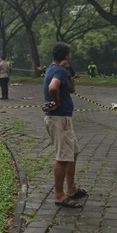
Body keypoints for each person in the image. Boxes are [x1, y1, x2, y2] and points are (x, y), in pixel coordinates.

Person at [43, 42, 87, 208]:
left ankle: (72, 188)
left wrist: (68, 71)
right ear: (66, 55)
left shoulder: (57, 69)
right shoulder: (58, 70)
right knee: (62, 158)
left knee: (73, 153)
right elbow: (53, 87)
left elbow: (71, 89)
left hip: (63, 118)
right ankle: (59, 195)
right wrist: (56, 101)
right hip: (58, 118)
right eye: (70, 54)